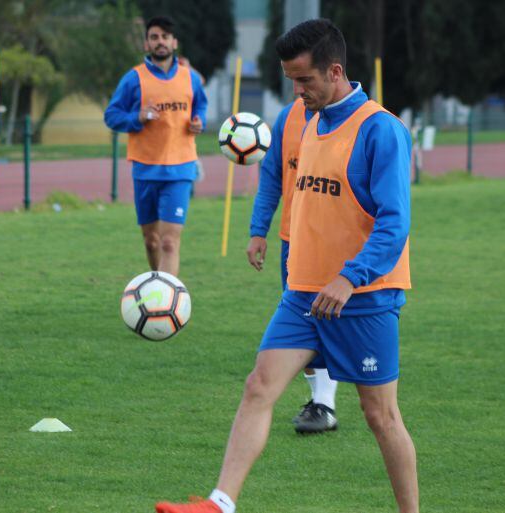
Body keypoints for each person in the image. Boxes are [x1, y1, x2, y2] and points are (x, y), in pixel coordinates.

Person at [155, 18, 418, 513]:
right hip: (303, 294)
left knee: (380, 415)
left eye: (304, 80)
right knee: (259, 385)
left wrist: (349, 277)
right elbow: (282, 184)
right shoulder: (310, 118)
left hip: (364, 298)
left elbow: (395, 223)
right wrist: (264, 233)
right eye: (291, 81)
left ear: (335, 71)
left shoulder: (381, 130)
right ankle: (220, 503)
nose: (297, 92)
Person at [246, 97, 340, 434]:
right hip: (293, 242)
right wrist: (258, 231)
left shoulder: (359, 121)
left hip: (335, 244)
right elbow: (272, 177)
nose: (299, 87)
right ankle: (321, 403)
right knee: (305, 322)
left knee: (326, 322)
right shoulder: (288, 117)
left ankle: (325, 404)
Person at [104, 16, 207, 277]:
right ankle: (157, 289)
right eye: (154, 37)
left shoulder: (190, 78)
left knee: (169, 242)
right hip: (145, 169)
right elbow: (111, 116)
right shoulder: (133, 78)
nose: (160, 42)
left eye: (164, 37)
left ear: (174, 42)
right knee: (151, 241)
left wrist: (199, 121)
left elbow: (201, 106)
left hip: (180, 168)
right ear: (146, 44)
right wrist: (135, 118)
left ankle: (167, 305)